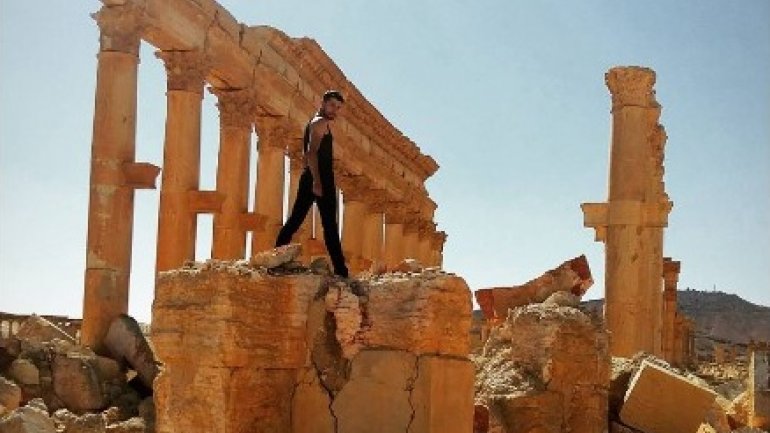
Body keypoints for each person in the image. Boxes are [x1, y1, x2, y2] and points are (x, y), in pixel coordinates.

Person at [274, 90, 350, 278]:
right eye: (332, 105)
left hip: (313, 177)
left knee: (296, 220)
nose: (335, 110)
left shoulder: (317, 122)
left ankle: (276, 257)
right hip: (319, 179)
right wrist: (317, 181)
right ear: (322, 103)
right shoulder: (320, 123)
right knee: (329, 226)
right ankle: (342, 271)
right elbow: (311, 152)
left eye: (338, 108)